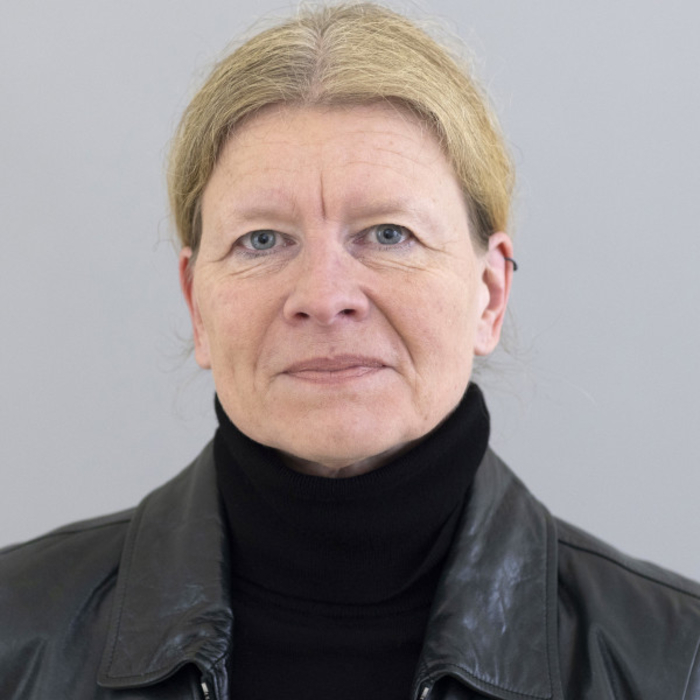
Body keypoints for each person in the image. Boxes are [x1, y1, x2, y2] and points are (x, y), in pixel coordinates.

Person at [1, 3, 699, 699]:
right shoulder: (15, 631)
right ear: (197, 306)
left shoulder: (678, 663)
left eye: (389, 234)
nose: (324, 296)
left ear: (489, 295)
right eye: (262, 240)